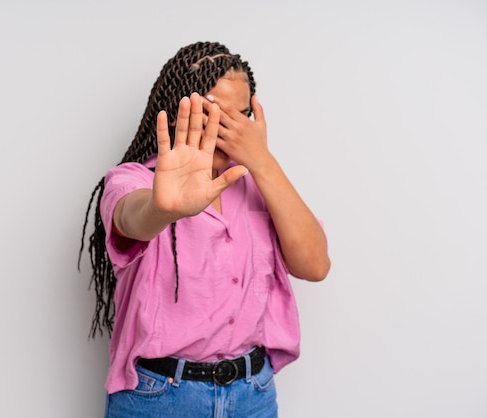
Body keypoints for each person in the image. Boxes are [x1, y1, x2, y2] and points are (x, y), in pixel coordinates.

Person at [79, 41, 330, 418]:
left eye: (240, 115)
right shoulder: (134, 181)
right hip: (159, 397)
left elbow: (315, 265)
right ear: (178, 111)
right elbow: (132, 218)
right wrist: (162, 209)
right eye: (211, 110)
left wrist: (263, 162)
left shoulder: (261, 186)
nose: (227, 128)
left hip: (253, 394)